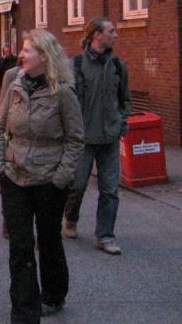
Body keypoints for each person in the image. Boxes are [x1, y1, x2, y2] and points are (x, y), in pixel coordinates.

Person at [0, 30, 84, 323]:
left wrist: (60, 178)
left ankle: (54, 294)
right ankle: (24, 312)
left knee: (48, 240)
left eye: (27, 50)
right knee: (20, 246)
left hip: (48, 181)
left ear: (44, 56)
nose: (21, 55)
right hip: (14, 177)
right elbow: (0, 128)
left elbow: (75, 139)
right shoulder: (15, 86)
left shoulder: (63, 92)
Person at [63, 17, 131, 255]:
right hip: (82, 139)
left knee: (110, 190)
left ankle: (105, 236)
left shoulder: (118, 66)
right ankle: (71, 218)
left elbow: (125, 99)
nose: (116, 35)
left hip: (110, 138)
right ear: (96, 35)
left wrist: (121, 121)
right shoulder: (76, 65)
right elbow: (66, 101)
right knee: (77, 186)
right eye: (111, 31)